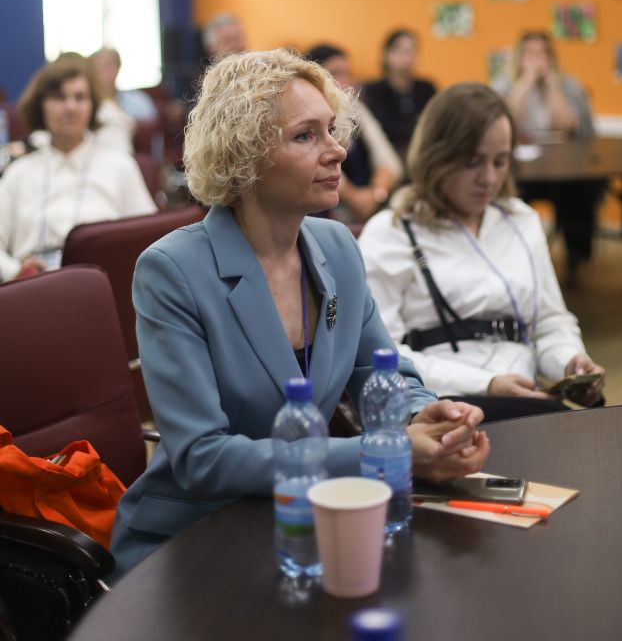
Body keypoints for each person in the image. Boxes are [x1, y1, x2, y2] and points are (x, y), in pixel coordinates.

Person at [110, 50, 489, 577]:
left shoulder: (337, 246)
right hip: (196, 538)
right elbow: (202, 458)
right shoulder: (172, 271)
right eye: (306, 136)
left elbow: (381, 370)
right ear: (243, 155)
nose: (337, 151)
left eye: (332, 129)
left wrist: (425, 419)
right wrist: (384, 449)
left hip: (307, 518)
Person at [358, 83, 605, 422]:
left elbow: (549, 322)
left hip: (525, 400)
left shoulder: (521, 221)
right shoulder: (391, 233)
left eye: (500, 161)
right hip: (440, 404)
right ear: (436, 157)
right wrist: (486, 384)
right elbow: (380, 355)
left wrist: (570, 362)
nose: (488, 178)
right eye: (473, 162)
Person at [0, 56, 157, 282]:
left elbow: (149, 240)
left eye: (80, 97)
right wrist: (16, 271)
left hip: (104, 285)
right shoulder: (18, 174)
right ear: (41, 105)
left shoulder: (121, 166)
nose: (70, 107)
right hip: (33, 287)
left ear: (93, 106)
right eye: (59, 97)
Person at [496, 30, 603, 283]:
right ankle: (509, 259)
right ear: (519, 57)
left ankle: (575, 260)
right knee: (507, 196)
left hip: (563, 169)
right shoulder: (504, 85)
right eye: (530, 54)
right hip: (520, 171)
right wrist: (524, 84)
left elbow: (567, 127)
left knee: (579, 195)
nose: (537, 60)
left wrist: (553, 87)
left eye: (542, 53)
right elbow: (504, 124)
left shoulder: (568, 86)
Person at [305, 44, 403, 224]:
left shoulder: (357, 108)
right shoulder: (309, 117)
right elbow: (316, 163)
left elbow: (389, 161)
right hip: (328, 211)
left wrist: (376, 193)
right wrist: (354, 198)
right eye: (335, 73)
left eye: (347, 73)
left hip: (371, 205)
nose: (344, 81)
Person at [362, 29, 437, 163]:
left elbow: (435, 123)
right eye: (400, 51)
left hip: (424, 151)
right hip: (389, 153)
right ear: (386, 54)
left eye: (411, 51)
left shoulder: (426, 88)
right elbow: (382, 129)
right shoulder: (374, 90)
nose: (407, 57)